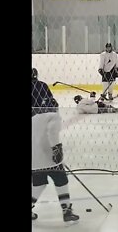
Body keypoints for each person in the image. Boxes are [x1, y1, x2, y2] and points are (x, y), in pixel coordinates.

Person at [31, 68, 80, 222]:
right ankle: (66, 210)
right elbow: (52, 132)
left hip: (34, 156)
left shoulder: (34, 118)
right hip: (49, 157)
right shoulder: (53, 115)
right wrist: (57, 149)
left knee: (39, 183)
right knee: (61, 180)